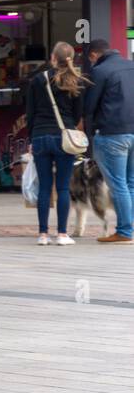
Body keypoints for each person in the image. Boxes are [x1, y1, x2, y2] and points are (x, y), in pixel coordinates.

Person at [26, 42, 88, 246]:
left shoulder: (37, 80)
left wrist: (31, 139)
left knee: (44, 187)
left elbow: (30, 113)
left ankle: (43, 234)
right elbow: (78, 114)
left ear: (53, 58)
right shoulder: (76, 81)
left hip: (41, 136)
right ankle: (62, 234)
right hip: (64, 139)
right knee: (62, 187)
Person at [85, 38, 134, 243]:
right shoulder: (131, 66)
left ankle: (124, 231)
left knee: (118, 185)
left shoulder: (99, 71)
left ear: (94, 55)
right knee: (130, 183)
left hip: (112, 133)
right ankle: (129, 227)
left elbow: (89, 106)